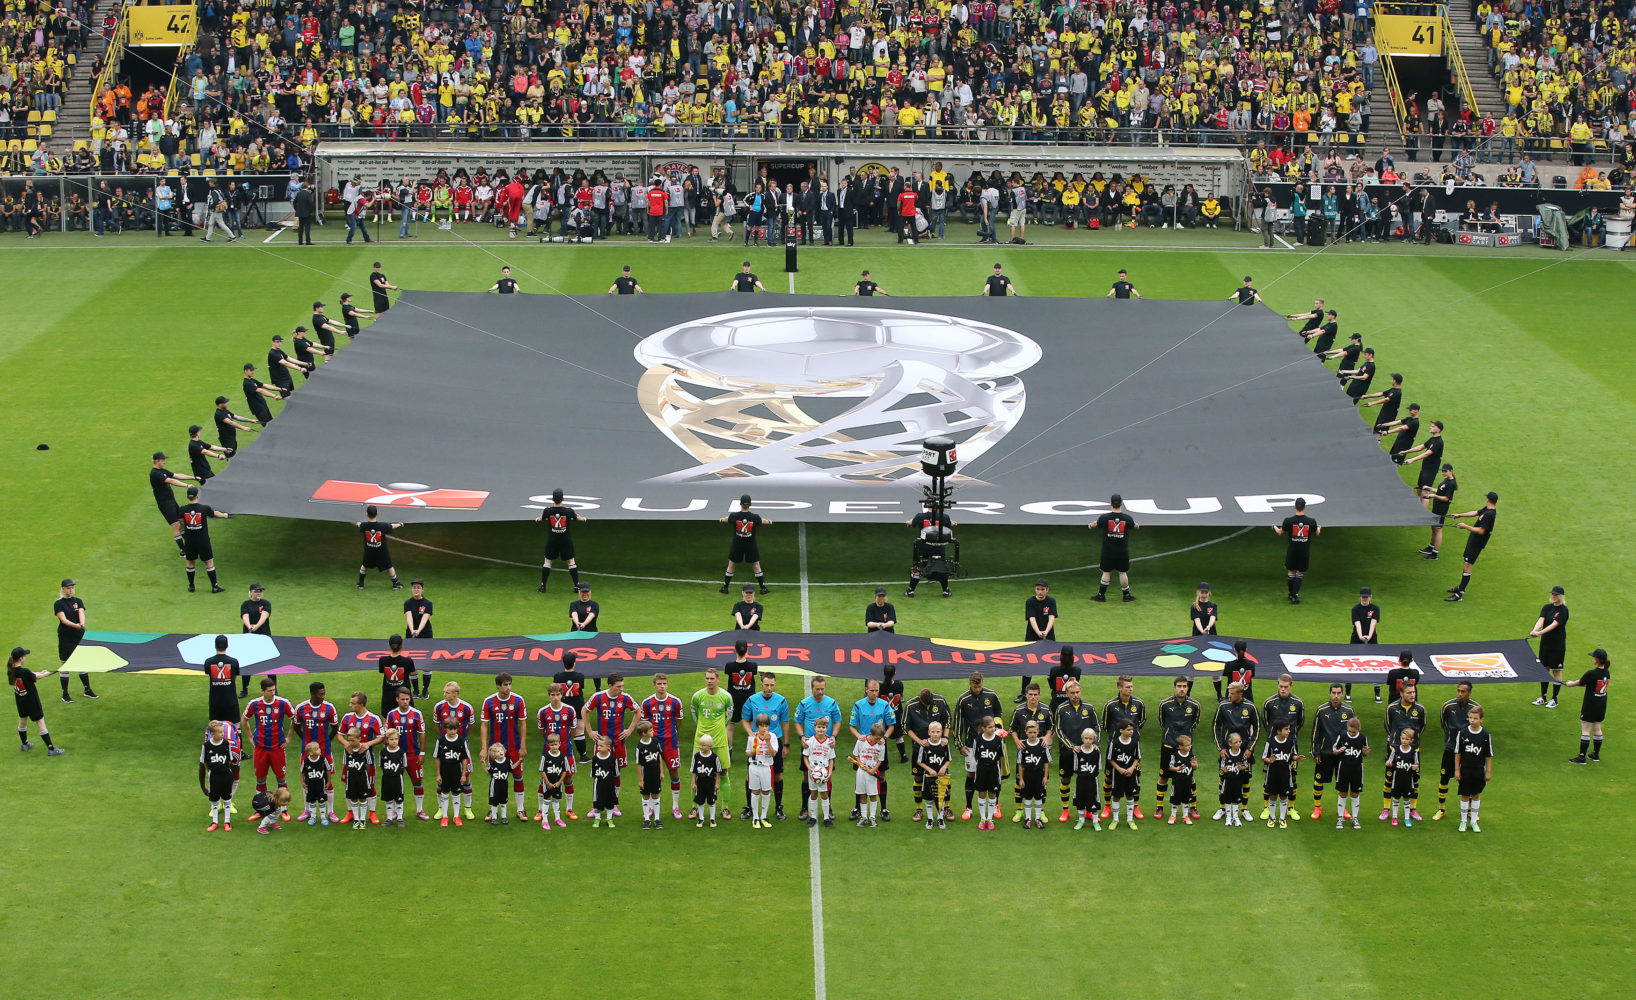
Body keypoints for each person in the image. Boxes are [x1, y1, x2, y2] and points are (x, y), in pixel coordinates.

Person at [582, 672, 639, 815]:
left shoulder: (625, 698)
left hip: (618, 741)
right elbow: (584, 710)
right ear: (610, 686)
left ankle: (613, 804)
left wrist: (630, 730)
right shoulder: (598, 697)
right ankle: (595, 806)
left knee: (616, 772)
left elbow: (638, 712)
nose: (621, 689)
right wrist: (589, 731)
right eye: (618, 686)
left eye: (622, 686)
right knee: (599, 774)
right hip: (602, 742)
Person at [479, 673, 528, 821]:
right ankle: (493, 810)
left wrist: (523, 746)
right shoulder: (489, 702)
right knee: (496, 777)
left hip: (514, 746)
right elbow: (484, 725)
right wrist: (483, 748)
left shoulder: (518, 700)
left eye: (509, 684)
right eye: (505, 684)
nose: (508, 687)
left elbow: (523, 723)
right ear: (498, 686)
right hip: (496, 748)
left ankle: (520, 809)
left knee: (518, 776)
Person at [795, 675, 844, 823]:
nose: (821, 691)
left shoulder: (831, 703)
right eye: (818, 689)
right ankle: (805, 807)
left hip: (825, 747)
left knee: (827, 777)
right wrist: (802, 736)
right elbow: (797, 722)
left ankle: (827, 808)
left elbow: (838, 721)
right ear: (812, 688)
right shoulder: (804, 704)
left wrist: (834, 736)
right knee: (806, 776)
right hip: (809, 746)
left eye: (823, 688)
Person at [690, 667, 737, 821]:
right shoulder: (697, 696)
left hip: (720, 740)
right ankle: (695, 807)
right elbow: (695, 715)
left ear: (718, 679)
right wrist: (703, 731)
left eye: (712, 678)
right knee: (698, 773)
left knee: (723, 773)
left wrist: (718, 730)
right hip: (700, 741)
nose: (709, 681)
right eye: (707, 678)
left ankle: (725, 808)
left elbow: (728, 716)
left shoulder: (726, 697)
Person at [848, 679, 897, 821]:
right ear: (866, 690)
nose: (875, 693)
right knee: (860, 776)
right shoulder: (858, 705)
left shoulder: (885, 705)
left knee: (881, 776)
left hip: (879, 747)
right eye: (872, 690)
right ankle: (857, 807)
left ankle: (883, 809)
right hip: (864, 747)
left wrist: (885, 738)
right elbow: (852, 726)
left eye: (877, 691)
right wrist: (859, 737)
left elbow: (892, 725)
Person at [241, 677, 294, 806]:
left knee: (281, 778)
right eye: (269, 691)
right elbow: (244, 719)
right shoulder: (254, 704)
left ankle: (283, 810)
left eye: (274, 690)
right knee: (260, 779)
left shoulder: (283, 703)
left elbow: (295, 719)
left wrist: (289, 738)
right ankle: (262, 807)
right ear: (262, 691)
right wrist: (249, 737)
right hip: (260, 748)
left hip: (277, 747)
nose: (273, 693)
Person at [1100, 676, 1147, 819]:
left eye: (1132, 686)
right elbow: (1104, 725)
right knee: (1109, 778)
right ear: (1120, 688)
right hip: (1115, 747)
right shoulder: (1110, 705)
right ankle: (1108, 806)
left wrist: (1134, 735)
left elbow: (1142, 720)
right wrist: (1116, 737)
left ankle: (1135, 807)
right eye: (1127, 687)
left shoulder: (1139, 703)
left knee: (1135, 778)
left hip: (1132, 747)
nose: (1130, 689)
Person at [1380, 682, 1428, 822]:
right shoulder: (1392, 708)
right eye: (1409, 692)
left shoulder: (1420, 709)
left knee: (1414, 780)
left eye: (1414, 692)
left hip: (1413, 751)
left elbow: (1422, 727)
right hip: (1395, 748)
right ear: (1401, 694)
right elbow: (1387, 726)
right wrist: (1397, 740)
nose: (1412, 695)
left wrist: (1413, 742)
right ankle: (1386, 809)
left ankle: (1413, 809)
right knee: (1390, 779)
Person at [1260, 674, 1305, 821]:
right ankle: (1267, 807)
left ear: (1291, 686)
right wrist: (1275, 736)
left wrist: (1289, 737)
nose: (1283, 689)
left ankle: (1291, 808)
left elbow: (1300, 722)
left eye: (1286, 687)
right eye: (1281, 686)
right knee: (1269, 778)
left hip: (1291, 745)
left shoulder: (1298, 703)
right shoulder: (1269, 702)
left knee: (1292, 777)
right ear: (1277, 685)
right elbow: (1265, 722)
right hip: (1273, 746)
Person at [1154, 676, 1201, 817]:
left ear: (1188, 688)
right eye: (1179, 686)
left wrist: (1185, 741)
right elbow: (1162, 722)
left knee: (1189, 776)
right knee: (1164, 776)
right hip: (1169, 745)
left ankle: (1193, 807)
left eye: (1184, 686)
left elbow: (1194, 723)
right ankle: (1159, 807)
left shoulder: (1195, 705)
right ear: (1174, 687)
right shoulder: (1165, 704)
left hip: (1186, 747)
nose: (1182, 689)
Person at [1308, 684, 1357, 820]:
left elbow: (1353, 732)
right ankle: (1317, 807)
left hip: (1343, 754)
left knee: (1343, 781)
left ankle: (1342, 808)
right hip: (1325, 752)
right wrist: (1315, 752)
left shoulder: (1349, 710)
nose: (1336, 696)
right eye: (1334, 693)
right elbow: (1315, 733)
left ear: (1342, 694)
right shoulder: (1322, 710)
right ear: (1330, 693)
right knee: (1319, 780)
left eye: (1339, 693)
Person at [292, 682, 338, 822]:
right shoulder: (301, 708)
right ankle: (307, 810)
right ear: (313, 694)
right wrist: (306, 743)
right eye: (320, 694)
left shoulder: (329, 708)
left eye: (324, 693)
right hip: (307, 752)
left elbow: (335, 728)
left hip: (325, 751)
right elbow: (297, 727)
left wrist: (326, 742)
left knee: (328, 781)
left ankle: (330, 812)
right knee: (307, 780)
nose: (323, 696)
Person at [1053, 679, 1098, 823]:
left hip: (1087, 753)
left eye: (1077, 692)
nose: (1075, 695)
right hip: (1068, 752)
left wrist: (1094, 743)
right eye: (1072, 693)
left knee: (1087, 781)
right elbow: (1058, 730)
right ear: (1067, 693)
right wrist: (1072, 746)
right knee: (1065, 779)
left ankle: (1088, 810)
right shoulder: (1061, 709)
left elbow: (1097, 727)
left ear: (1081, 691)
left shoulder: (1089, 708)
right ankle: (1065, 810)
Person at [1009, 681, 1053, 822]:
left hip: (1040, 750)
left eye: (1035, 695)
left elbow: (1051, 727)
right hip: (1025, 750)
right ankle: (1019, 810)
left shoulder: (1046, 710)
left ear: (1039, 695)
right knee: (1020, 781)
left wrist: (1046, 737)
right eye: (1030, 695)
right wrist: (1016, 741)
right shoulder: (1019, 711)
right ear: (1026, 695)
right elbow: (1013, 729)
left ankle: (1041, 812)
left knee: (1042, 781)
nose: (1033, 697)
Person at [1444, 491, 1498, 602]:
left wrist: (1465, 526)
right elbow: (1475, 513)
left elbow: (1481, 530)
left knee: (1468, 566)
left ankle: (1459, 594)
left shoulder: (1489, 515)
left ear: (1488, 499)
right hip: (1473, 541)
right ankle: (1460, 587)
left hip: (1477, 543)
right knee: (1466, 564)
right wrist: (1460, 515)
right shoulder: (1488, 510)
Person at [10, 648, 64, 755]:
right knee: (40, 723)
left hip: (21, 701)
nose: (25, 657)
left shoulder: (12, 670)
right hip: (32, 701)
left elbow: (31, 674)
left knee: (22, 721)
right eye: (24, 656)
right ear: (21, 658)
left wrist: (41, 672)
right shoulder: (25, 672)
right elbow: (36, 677)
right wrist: (45, 674)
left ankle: (25, 744)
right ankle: (51, 749)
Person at [534, 488, 586, 594]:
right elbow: (578, 518)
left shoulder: (547, 511)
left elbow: (541, 518)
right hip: (565, 541)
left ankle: (543, 587)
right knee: (571, 562)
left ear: (552, 499)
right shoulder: (568, 511)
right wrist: (584, 519)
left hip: (552, 541)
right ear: (563, 498)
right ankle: (577, 586)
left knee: (547, 562)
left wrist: (537, 519)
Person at [1451, 705, 1493, 833]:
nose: (1472, 720)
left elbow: (1488, 755)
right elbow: (1458, 753)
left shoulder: (1485, 735)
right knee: (1464, 796)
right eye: (1470, 718)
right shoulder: (1462, 733)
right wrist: (1457, 770)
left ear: (1481, 720)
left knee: (1476, 795)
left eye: (1475, 718)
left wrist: (1488, 772)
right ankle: (1463, 821)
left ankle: (1474, 821)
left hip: (1479, 770)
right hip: (1465, 770)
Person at [1565, 649, 1611, 764]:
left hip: (1590, 705)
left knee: (1586, 729)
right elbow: (1587, 682)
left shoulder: (1592, 673)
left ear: (1596, 659)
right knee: (1597, 727)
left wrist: (1570, 684)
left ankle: (1581, 757)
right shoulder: (1606, 672)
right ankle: (1595, 754)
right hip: (1601, 704)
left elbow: (1580, 682)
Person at [1089, 495, 1139, 601]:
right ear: (1121, 504)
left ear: (1111, 504)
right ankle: (1126, 596)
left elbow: (1095, 525)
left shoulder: (1104, 518)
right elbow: (1134, 526)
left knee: (1106, 572)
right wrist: (1136, 525)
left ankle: (1101, 595)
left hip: (1108, 551)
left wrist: (1090, 525)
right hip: (1122, 551)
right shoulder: (1127, 518)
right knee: (1122, 572)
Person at [52, 578, 94, 703]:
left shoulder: (78, 601)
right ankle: (65, 694)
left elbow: (81, 613)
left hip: (79, 636)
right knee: (65, 664)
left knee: (82, 662)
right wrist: (76, 626)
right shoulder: (58, 603)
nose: (71, 590)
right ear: (63, 589)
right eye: (69, 588)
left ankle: (87, 690)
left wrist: (81, 623)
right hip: (66, 638)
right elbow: (63, 620)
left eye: (72, 588)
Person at [718, 495, 771, 594]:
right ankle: (763, 588)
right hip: (750, 545)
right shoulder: (754, 517)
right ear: (750, 504)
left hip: (737, 544)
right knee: (755, 565)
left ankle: (725, 587)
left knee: (732, 564)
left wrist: (721, 519)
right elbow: (762, 521)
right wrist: (769, 521)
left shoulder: (734, 516)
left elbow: (727, 519)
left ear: (740, 504)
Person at [1528, 587, 1571, 708]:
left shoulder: (1563, 610)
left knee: (1556, 671)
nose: (1553, 596)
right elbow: (1541, 620)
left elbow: (1554, 624)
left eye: (1555, 595)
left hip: (1557, 645)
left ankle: (1554, 698)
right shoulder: (1547, 607)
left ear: (1560, 596)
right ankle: (1543, 696)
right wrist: (1535, 629)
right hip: (1545, 644)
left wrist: (1539, 633)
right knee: (1544, 669)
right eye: (1552, 594)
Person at [150, 451, 199, 556]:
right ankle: (183, 550)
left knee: (182, 521)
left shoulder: (161, 471)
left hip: (171, 501)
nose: (164, 462)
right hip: (165, 504)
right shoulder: (154, 474)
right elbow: (171, 481)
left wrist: (193, 477)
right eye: (163, 460)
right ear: (157, 461)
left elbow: (176, 475)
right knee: (176, 525)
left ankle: (190, 545)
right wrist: (187, 486)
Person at [1275, 497, 1321, 604]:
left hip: (1292, 550)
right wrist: (1320, 527)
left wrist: (1274, 527)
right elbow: (1317, 532)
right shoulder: (1311, 521)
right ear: (1304, 507)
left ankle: (1291, 594)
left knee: (1291, 571)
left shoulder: (1288, 521)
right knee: (1300, 573)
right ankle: (1295, 595)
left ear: (1295, 507)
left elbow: (1280, 532)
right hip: (1304, 552)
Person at [1020, 579, 1058, 702]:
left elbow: (1052, 617)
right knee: (1028, 664)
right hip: (1032, 636)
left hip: (1048, 636)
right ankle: (1023, 693)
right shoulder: (1030, 601)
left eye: (1042, 589)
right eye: (1038, 589)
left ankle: (1055, 693)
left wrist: (1046, 632)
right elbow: (1032, 619)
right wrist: (1039, 633)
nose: (1040, 592)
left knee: (1050, 665)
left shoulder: (1051, 601)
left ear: (1047, 590)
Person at [1330, 716, 1370, 829]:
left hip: (1357, 769)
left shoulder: (1363, 738)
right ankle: (1340, 818)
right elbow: (1334, 750)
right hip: (1343, 768)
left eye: (1354, 732)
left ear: (1359, 729)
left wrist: (1366, 752)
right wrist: (1338, 751)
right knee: (1342, 792)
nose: (1351, 733)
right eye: (1350, 731)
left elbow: (1365, 752)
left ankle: (1355, 818)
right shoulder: (1342, 736)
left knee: (1355, 793)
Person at [1260, 722, 1301, 828]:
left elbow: (1293, 755)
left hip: (1286, 773)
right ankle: (1272, 818)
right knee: (1273, 795)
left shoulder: (1291, 742)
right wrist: (1270, 760)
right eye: (1286, 729)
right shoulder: (1271, 742)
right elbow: (1264, 756)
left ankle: (1282, 819)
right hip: (1273, 773)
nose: (1289, 731)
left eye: (1289, 729)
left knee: (1284, 795)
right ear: (1278, 731)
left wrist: (1297, 758)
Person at [433, 717, 472, 827]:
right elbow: (437, 758)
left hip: (456, 771)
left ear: (458, 728)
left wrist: (464, 774)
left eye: (454, 729)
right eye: (450, 729)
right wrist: (438, 774)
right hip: (444, 771)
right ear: (445, 729)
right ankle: (445, 817)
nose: (452, 731)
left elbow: (464, 758)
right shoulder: (440, 741)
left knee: (456, 792)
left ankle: (456, 816)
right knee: (444, 792)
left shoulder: (461, 741)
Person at [355, 506, 405, 589]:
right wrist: (400, 524)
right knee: (389, 566)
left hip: (369, 551)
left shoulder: (364, 526)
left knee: (364, 565)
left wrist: (358, 523)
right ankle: (395, 583)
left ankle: (361, 584)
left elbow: (359, 525)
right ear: (377, 514)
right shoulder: (382, 526)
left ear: (366, 514)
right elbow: (392, 526)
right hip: (382, 552)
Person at [1105, 720, 1141, 830]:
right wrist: (1119, 769)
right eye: (1128, 730)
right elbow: (1110, 759)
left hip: (1131, 773)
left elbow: (1137, 758)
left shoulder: (1135, 742)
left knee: (1130, 795)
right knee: (1116, 796)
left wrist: (1131, 768)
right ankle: (1115, 819)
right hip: (1118, 774)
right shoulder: (1114, 743)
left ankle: (1130, 819)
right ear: (1121, 731)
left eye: (1132, 730)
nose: (1131, 732)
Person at [1014, 720, 1051, 829]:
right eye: (1030, 732)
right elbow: (1020, 764)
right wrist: (1021, 779)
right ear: (1026, 732)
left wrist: (1045, 777)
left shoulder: (1043, 745)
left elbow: (1046, 762)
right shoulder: (1023, 746)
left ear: (1038, 732)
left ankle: (1038, 818)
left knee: (1039, 798)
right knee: (1028, 798)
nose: (1032, 734)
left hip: (1039, 776)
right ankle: (1028, 819)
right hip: (1027, 776)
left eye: (1034, 732)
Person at [970, 715, 1005, 830]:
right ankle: (983, 818)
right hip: (981, 770)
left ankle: (990, 818)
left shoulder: (998, 740)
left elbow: (1000, 756)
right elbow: (975, 755)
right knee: (981, 793)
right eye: (990, 727)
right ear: (983, 728)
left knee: (992, 793)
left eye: (994, 727)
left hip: (994, 770)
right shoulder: (978, 740)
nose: (993, 729)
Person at [916, 722, 951, 830]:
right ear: (929, 733)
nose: (935, 734)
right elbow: (919, 761)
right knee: (929, 798)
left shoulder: (944, 744)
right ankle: (930, 818)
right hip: (928, 777)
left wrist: (944, 767)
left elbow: (949, 759)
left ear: (941, 733)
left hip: (942, 777)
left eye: (938, 732)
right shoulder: (925, 745)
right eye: (933, 732)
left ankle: (940, 818)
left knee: (941, 797)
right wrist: (929, 770)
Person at [1419, 463, 1458, 561]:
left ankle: (1435, 553)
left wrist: (1434, 496)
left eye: (1445, 471)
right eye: (1443, 471)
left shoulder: (1451, 484)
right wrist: (1429, 488)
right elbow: (1440, 490)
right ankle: (1430, 547)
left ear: (1451, 471)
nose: (1443, 473)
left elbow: (1446, 498)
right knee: (1434, 528)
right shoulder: (1447, 480)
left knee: (1438, 529)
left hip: (1441, 509)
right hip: (1437, 507)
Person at [1384, 725, 1420, 828]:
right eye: (1402, 738)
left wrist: (1414, 767)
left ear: (1411, 740)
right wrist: (1389, 763)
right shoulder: (1395, 750)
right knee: (1396, 798)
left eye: (1406, 739)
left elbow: (1417, 764)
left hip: (1408, 779)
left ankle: (1407, 818)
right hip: (1397, 779)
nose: (1404, 741)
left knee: (1406, 798)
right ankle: (1395, 817)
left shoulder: (1413, 752)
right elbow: (1389, 761)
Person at [1349, 587, 1380, 703]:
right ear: (1360, 597)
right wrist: (1361, 636)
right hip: (1356, 638)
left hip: (1372, 638)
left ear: (1370, 597)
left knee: (1375, 664)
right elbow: (1357, 624)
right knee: (1351, 663)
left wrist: (1369, 636)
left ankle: (1377, 693)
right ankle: (1348, 692)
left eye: (1367, 597)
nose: (1365, 599)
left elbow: (1373, 624)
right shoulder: (1355, 609)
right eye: (1363, 597)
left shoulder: (1375, 609)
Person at [202, 634, 241, 724]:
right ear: (227, 646)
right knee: (235, 727)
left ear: (215, 646)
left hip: (215, 702)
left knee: (214, 728)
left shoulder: (208, 662)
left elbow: (210, 675)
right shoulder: (234, 662)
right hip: (231, 701)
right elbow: (234, 677)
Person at [1218, 732, 1252, 827]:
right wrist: (1224, 770)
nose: (1238, 744)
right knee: (1228, 799)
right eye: (1236, 742)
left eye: (1240, 741)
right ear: (1230, 743)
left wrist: (1242, 768)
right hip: (1228, 781)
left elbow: (1245, 766)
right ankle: (1228, 817)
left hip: (1238, 782)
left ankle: (1236, 817)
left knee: (1236, 800)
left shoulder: (1243, 754)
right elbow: (1222, 768)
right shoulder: (1226, 754)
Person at [378, 728, 410, 827]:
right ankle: (389, 818)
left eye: (396, 739)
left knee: (399, 799)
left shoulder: (401, 752)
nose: (394, 741)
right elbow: (381, 765)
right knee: (388, 799)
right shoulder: (383, 752)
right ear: (387, 740)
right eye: (391, 739)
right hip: (386, 779)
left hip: (397, 779)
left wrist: (398, 774)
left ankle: (400, 818)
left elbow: (404, 766)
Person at [299, 741, 333, 827]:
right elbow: (301, 771)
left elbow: (328, 770)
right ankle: (313, 816)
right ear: (311, 752)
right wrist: (302, 782)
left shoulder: (323, 759)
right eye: (317, 749)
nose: (320, 750)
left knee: (321, 801)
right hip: (310, 786)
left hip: (321, 785)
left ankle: (323, 817)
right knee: (312, 801)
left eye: (319, 748)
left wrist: (329, 781)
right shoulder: (306, 761)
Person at [691, 734, 723, 827]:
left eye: (703, 745)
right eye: (700, 745)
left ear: (709, 746)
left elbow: (718, 771)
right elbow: (693, 771)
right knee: (700, 801)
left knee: (711, 801)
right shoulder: (696, 757)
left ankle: (712, 819)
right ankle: (701, 818)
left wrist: (717, 783)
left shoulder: (714, 757)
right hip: (700, 783)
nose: (701, 747)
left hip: (711, 783)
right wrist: (693, 783)